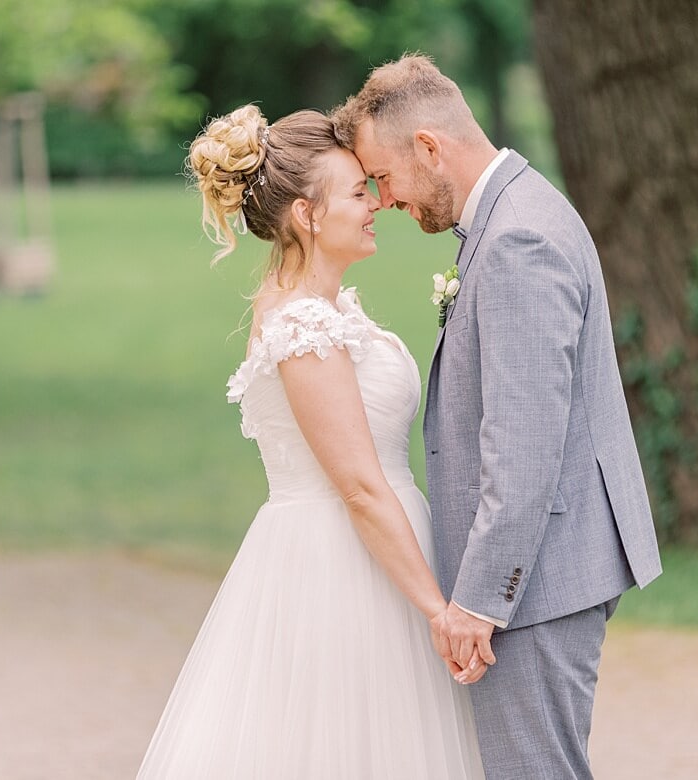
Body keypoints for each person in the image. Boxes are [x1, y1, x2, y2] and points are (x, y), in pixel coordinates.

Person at [333, 54, 663, 779]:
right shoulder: (519, 211)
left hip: (536, 585)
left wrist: (480, 603)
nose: (383, 201)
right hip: (547, 572)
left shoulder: (518, 240)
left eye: (382, 179)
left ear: (428, 147)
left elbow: (522, 447)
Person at [135, 105, 484, 778]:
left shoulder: (325, 310)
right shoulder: (301, 326)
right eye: (357, 192)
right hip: (340, 572)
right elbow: (356, 485)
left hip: (380, 557)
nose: (376, 202)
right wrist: (437, 610)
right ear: (307, 215)